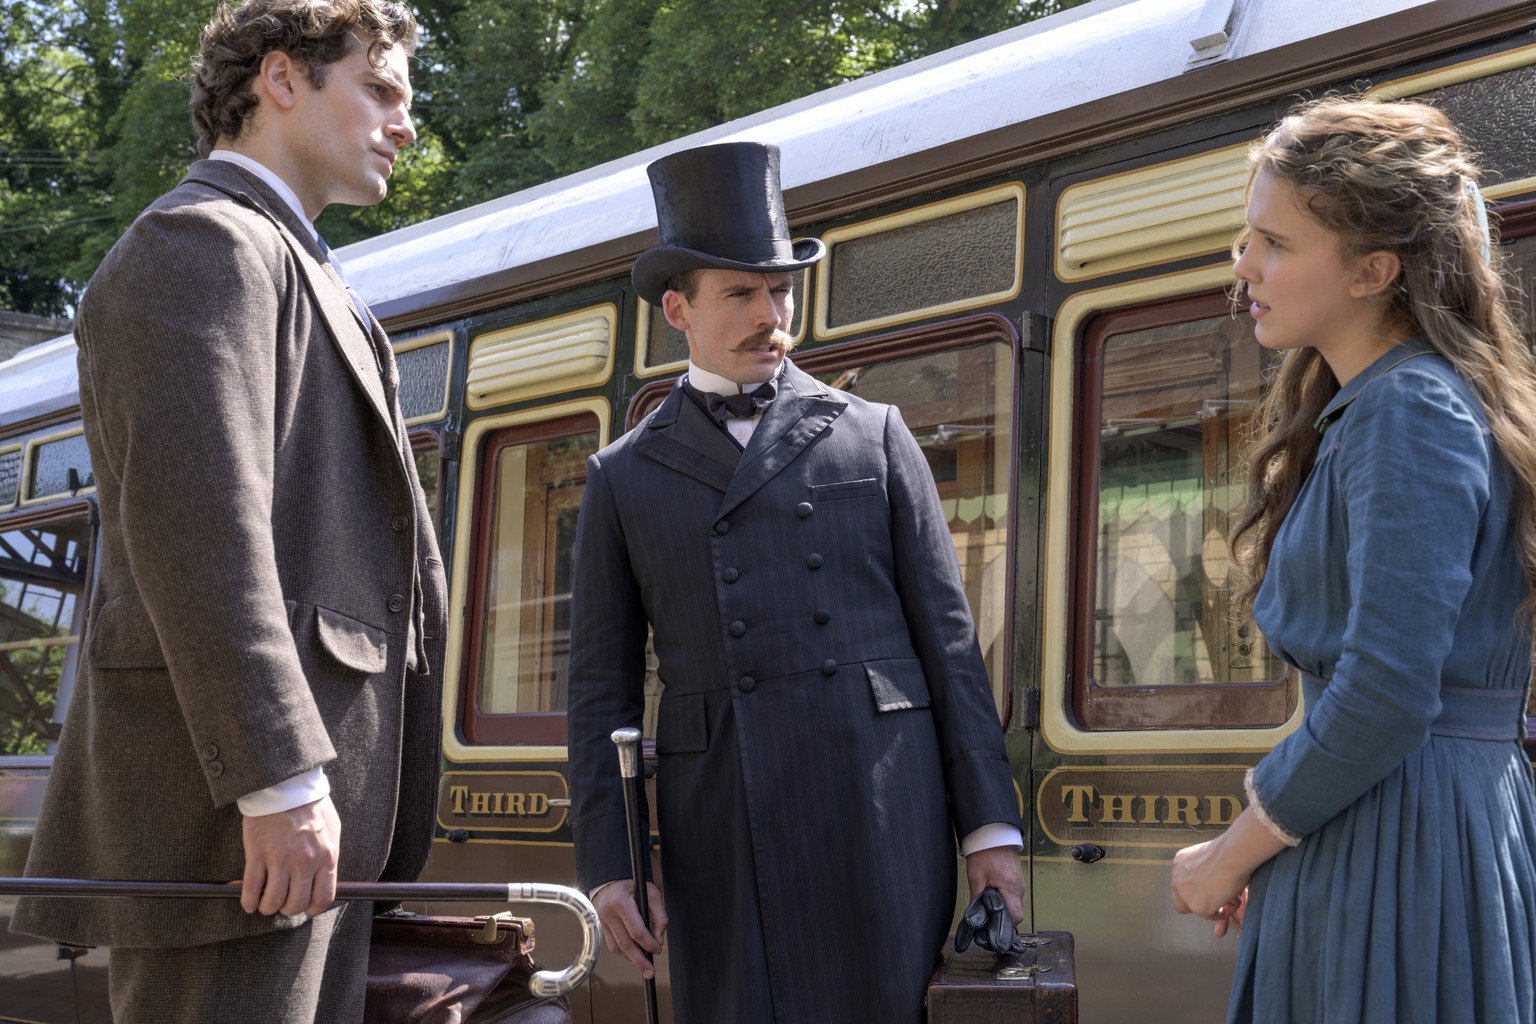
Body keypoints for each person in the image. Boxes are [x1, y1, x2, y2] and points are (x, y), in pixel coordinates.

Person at [11, 1, 446, 1021]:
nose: (407, 124)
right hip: (238, 839)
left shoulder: (295, 266)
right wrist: (280, 780)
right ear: (282, 80)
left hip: (286, 843)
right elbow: (199, 534)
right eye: (380, 90)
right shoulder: (197, 244)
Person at [566, 141, 1027, 1024]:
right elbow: (600, 687)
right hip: (724, 826)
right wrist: (613, 862)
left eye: (779, 290)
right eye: (740, 293)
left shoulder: (874, 433)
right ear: (678, 309)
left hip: (880, 805)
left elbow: (951, 646)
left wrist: (991, 832)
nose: (769, 313)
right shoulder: (622, 475)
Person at [1171, 95, 1536, 1022]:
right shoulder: (1402, 401)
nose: (1243, 267)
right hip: (1398, 831)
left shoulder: (1405, 409)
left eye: (1275, 244)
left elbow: (1384, 697)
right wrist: (1293, 835)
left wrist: (1234, 850)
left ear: (1375, 269)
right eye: (1246, 237)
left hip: (1400, 845)